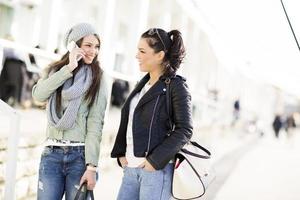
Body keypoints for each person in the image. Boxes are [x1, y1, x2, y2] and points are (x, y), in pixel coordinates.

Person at [111, 28, 193, 200]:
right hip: (131, 169)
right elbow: (129, 118)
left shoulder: (176, 86)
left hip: (155, 172)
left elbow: (185, 129)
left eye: (142, 51)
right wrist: (121, 153)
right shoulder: (142, 85)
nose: (136, 56)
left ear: (160, 55)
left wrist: (154, 162)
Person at [32, 22, 108, 200]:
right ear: (74, 45)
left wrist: (92, 167)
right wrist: (68, 69)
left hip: (79, 157)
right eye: (88, 45)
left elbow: (95, 124)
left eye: (96, 46)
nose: (93, 51)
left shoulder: (98, 78)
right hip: (51, 154)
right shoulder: (55, 71)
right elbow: (39, 95)